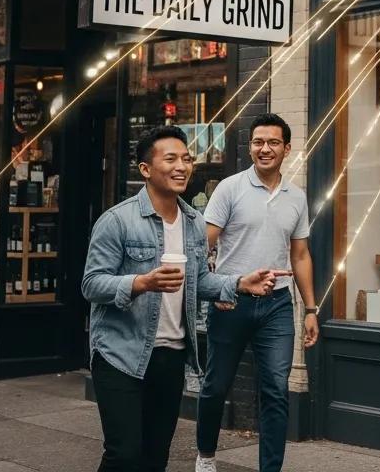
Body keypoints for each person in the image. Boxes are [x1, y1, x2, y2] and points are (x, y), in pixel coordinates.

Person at [82, 126, 277, 472]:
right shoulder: (117, 221)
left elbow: (199, 280)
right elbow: (92, 285)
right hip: (120, 353)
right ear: (145, 169)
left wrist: (240, 284)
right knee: (124, 453)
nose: (182, 167)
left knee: (156, 456)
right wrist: (140, 282)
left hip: (171, 355)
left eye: (186, 159)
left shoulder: (193, 223)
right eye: (170, 159)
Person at [195, 113, 319, 472]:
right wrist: (215, 288)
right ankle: (206, 454)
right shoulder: (229, 188)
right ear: (250, 147)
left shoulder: (296, 197)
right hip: (231, 301)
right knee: (216, 387)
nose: (265, 149)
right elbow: (203, 244)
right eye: (258, 142)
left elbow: (300, 254)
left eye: (273, 143)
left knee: (276, 391)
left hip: (278, 305)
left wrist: (311, 309)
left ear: (287, 149)